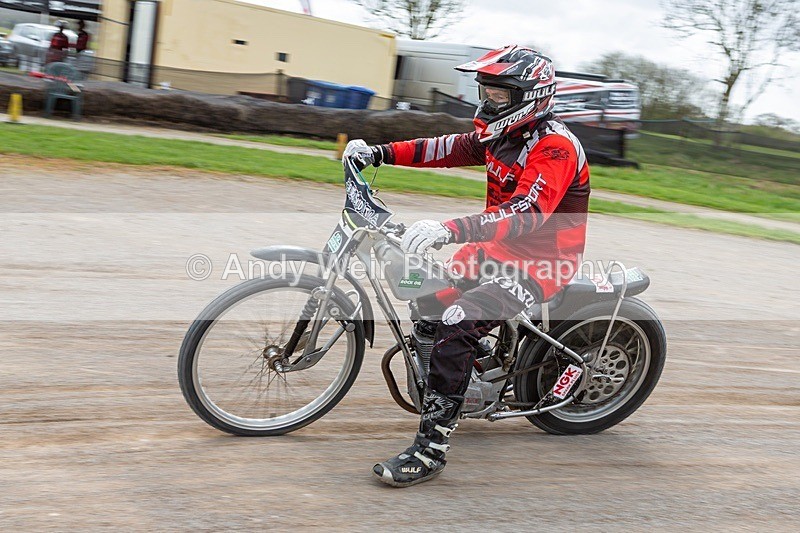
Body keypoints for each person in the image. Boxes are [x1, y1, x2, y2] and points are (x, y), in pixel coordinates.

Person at [343, 45, 591, 487]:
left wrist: (450, 230)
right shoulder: (500, 133)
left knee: (456, 321)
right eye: (484, 91)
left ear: (529, 98)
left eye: (497, 95)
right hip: (494, 252)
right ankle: (464, 379)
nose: (486, 102)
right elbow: (446, 148)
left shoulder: (554, 148)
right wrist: (378, 153)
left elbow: (526, 212)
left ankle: (431, 447)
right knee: (424, 294)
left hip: (542, 265)